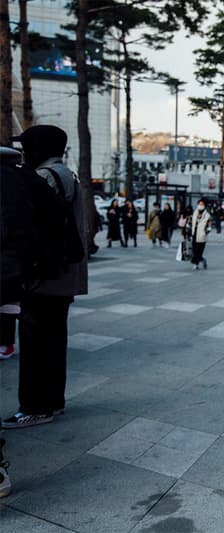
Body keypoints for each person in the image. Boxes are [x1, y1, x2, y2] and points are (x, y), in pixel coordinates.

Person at [3, 125, 88, 429]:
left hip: (47, 275)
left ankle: (35, 405)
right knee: (53, 339)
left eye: (26, 148)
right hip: (63, 275)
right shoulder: (67, 174)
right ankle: (53, 401)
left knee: (36, 340)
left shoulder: (45, 177)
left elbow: (30, 225)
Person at [190, 199, 211, 270]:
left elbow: (209, 226)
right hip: (194, 234)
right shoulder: (195, 213)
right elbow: (190, 222)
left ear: (204, 206)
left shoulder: (207, 215)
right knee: (194, 250)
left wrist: (206, 232)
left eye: (202, 204)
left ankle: (196, 264)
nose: (200, 205)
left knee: (199, 250)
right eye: (199, 204)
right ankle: (202, 260)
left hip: (202, 235)